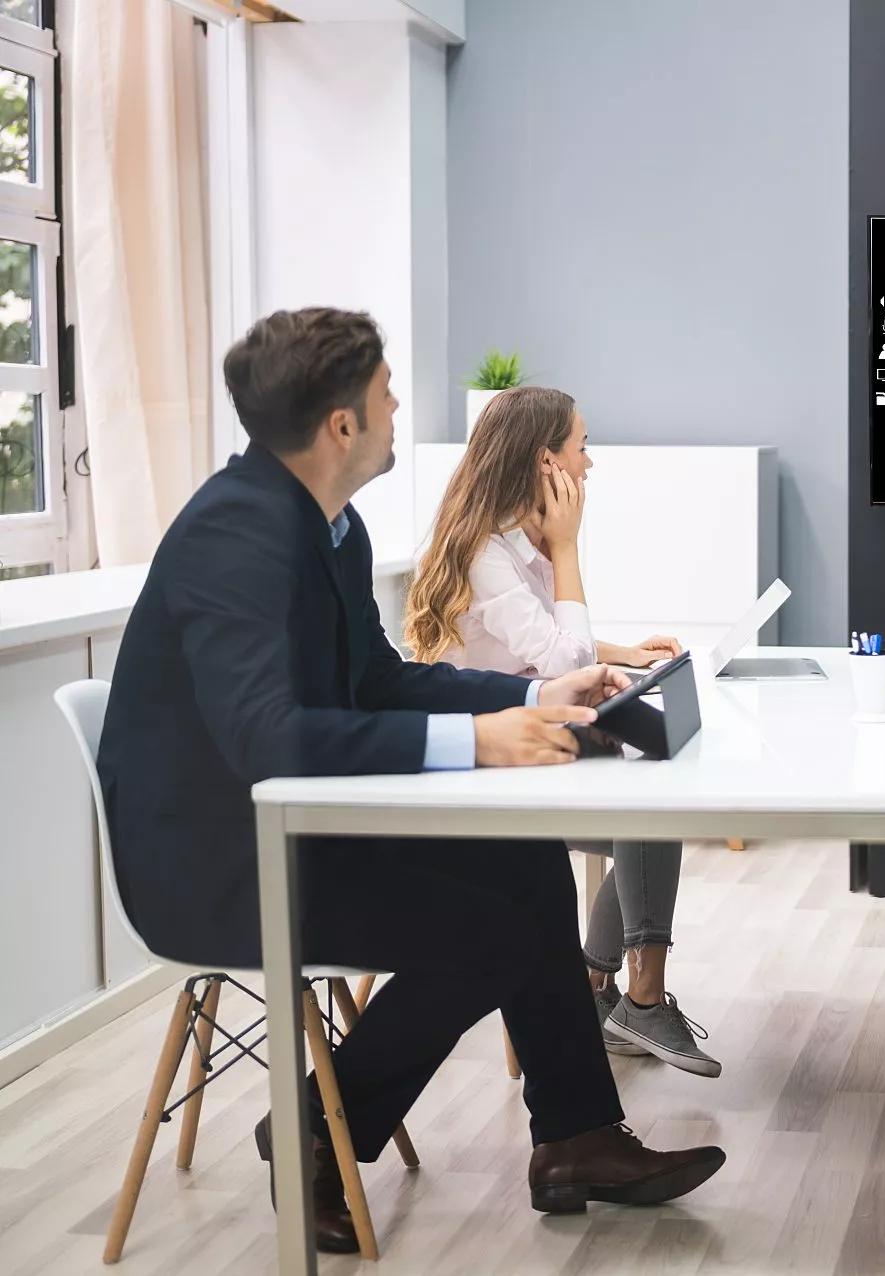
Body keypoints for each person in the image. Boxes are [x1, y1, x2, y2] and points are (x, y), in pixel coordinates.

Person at [96, 309, 724, 1254]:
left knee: (524, 872)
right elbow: (268, 737)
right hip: (221, 863)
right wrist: (478, 741)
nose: (399, 409)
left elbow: (378, 679)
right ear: (341, 424)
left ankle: (576, 1137)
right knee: (489, 927)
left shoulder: (330, 527)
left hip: (297, 821)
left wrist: (531, 694)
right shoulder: (237, 534)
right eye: (388, 394)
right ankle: (314, 1123)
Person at [406, 385, 719, 1077]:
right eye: (582, 447)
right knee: (648, 798)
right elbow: (562, 658)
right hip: (489, 766)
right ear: (546, 460)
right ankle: (635, 996)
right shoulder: (489, 553)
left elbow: (551, 645)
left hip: (532, 740)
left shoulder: (513, 544)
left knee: (654, 794)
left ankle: (603, 986)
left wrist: (624, 653)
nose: (590, 464)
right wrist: (569, 548)